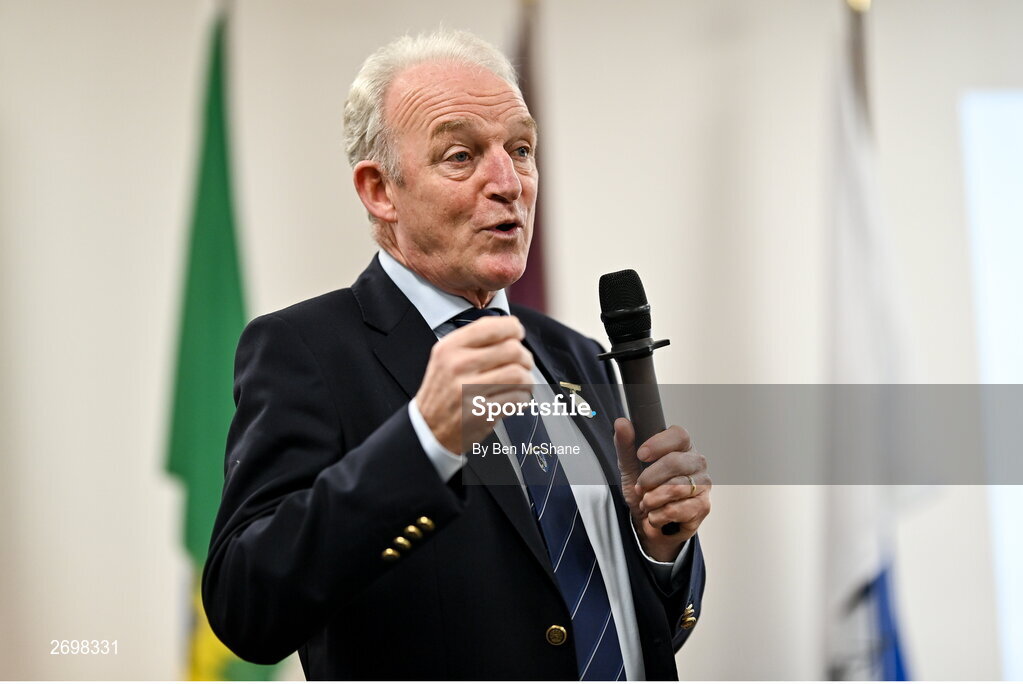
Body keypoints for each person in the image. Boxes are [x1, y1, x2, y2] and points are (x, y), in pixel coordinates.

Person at [202, 28, 711, 681]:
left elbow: (641, 627)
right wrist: (422, 443)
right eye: (461, 155)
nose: (508, 182)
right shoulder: (305, 349)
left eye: (520, 149)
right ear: (380, 190)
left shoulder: (575, 356)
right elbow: (247, 608)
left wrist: (658, 545)